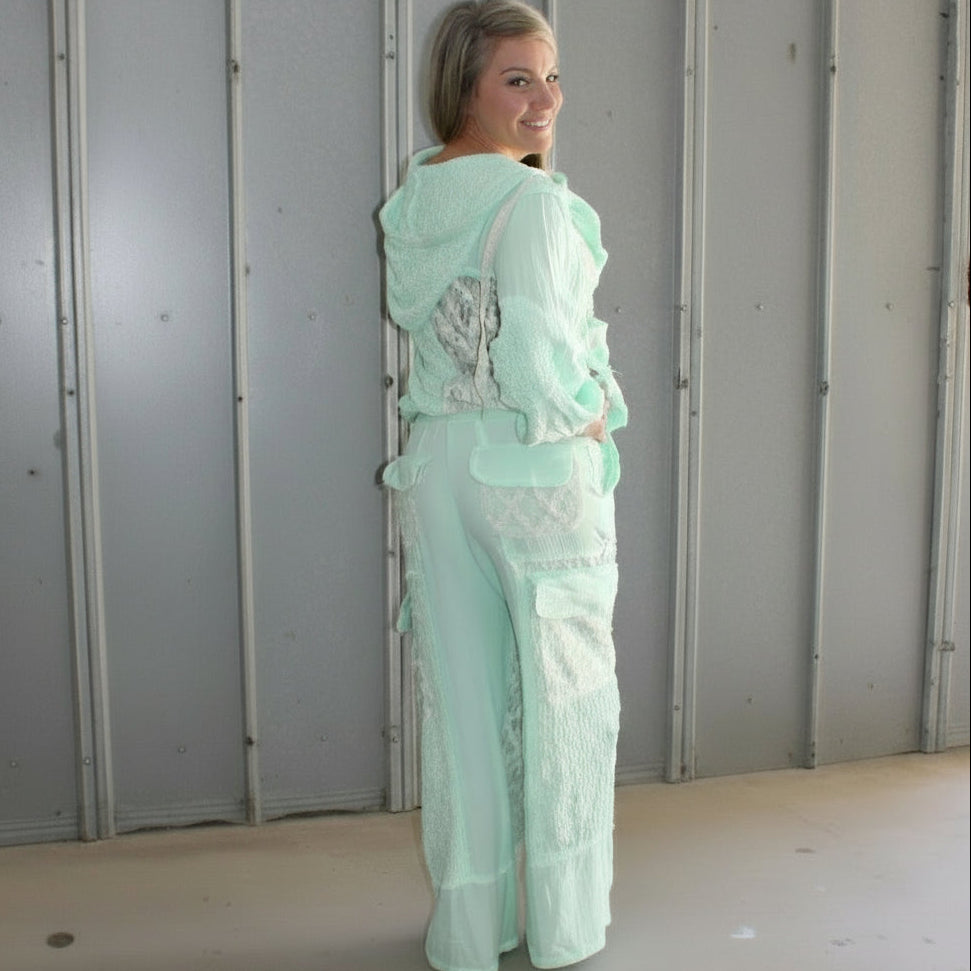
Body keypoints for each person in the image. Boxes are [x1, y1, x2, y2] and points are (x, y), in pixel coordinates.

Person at [380, 2, 628, 968]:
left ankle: (472, 928)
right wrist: (594, 407)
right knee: (567, 698)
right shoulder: (531, 204)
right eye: (516, 80)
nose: (544, 100)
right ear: (465, 90)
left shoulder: (417, 201)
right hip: (532, 477)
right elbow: (536, 360)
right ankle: (564, 927)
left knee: (465, 706)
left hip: (439, 468)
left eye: (551, 76)